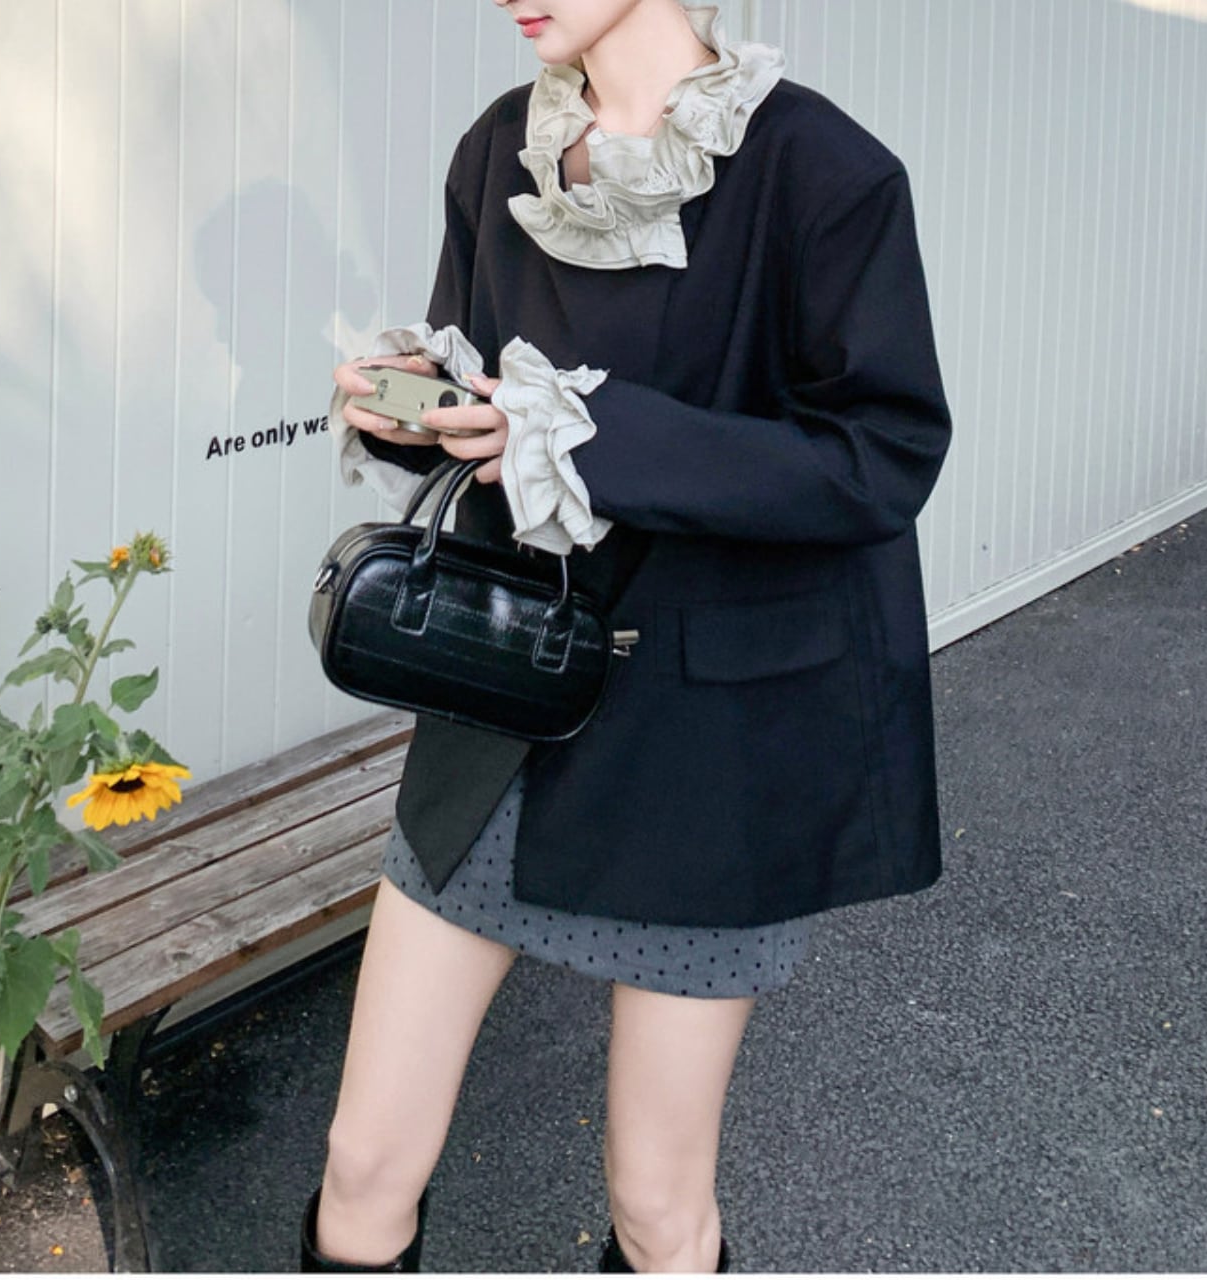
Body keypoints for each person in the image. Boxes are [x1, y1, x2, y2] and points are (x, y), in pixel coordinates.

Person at [307, 0, 951, 1272]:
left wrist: (593, 439)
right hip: (504, 697)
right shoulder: (499, 146)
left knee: (656, 1204)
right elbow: (490, 395)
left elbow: (878, 458)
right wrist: (418, 413)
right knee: (363, 1162)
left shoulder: (823, 169)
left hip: (708, 743)